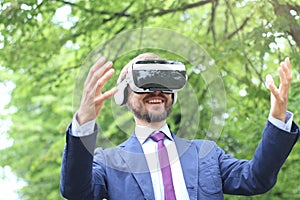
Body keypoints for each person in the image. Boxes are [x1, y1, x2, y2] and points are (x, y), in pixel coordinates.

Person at [60, 52, 299, 200]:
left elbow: (256, 179)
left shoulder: (206, 153)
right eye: (144, 82)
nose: (156, 91)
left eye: (164, 83)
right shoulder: (108, 162)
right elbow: (76, 191)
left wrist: (277, 119)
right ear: (123, 96)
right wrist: (84, 122)